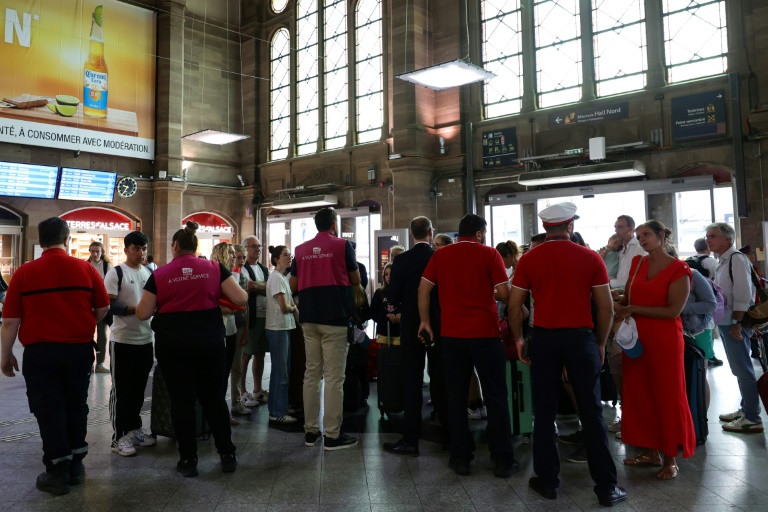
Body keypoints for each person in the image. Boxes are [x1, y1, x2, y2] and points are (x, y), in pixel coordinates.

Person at [507, 202, 626, 506]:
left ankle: (547, 481)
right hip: (580, 339)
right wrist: (600, 343)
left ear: (546, 228)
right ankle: (606, 488)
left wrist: (519, 338)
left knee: (544, 414)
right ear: (570, 226)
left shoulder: (529, 259)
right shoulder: (589, 258)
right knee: (592, 412)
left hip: (544, 339)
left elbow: (514, 304)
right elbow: (606, 308)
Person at [0, 217, 110, 495]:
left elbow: (10, 320)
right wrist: (84, 321)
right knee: (77, 404)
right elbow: (103, 308)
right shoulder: (85, 269)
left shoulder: (24, 273)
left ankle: (57, 470)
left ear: (40, 240)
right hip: (78, 350)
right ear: (67, 239)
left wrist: (6, 354)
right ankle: (76, 466)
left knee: (48, 408)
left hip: (41, 353)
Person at [136, 221, 247, 477]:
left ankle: (188, 459)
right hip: (209, 344)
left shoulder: (160, 274)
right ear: (196, 246)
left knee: (181, 401)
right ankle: (227, 453)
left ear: (175, 246)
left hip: (173, 346)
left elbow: (143, 313)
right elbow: (240, 298)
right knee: (214, 398)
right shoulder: (214, 268)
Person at [418, 214, 518, 478]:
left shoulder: (440, 255)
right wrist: (490, 291)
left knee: (456, 398)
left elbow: (423, 289)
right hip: (486, 335)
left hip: (452, 338)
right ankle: (502, 460)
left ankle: (461, 457)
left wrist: (426, 322)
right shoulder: (489, 255)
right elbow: (506, 294)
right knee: (496, 397)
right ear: (480, 233)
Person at [615, 220, 695, 480]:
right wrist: (615, 298)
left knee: (666, 395)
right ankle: (650, 451)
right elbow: (630, 299)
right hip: (638, 338)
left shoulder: (679, 269)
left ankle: (670, 457)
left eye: (646, 234)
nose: (642, 239)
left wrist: (633, 308)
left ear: (662, 235)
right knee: (640, 393)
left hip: (665, 340)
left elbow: (673, 311)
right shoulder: (639, 264)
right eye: (639, 236)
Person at [289, 207, 361, 450]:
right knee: (333, 378)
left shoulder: (300, 250)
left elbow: (293, 284)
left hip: (309, 318)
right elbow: (356, 279)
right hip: (335, 318)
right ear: (333, 225)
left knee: (311, 374)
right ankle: (332, 435)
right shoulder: (342, 245)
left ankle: (310, 432)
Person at [383, 216, 449, 457]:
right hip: (439, 325)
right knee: (441, 380)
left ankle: (411, 439)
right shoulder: (440, 256)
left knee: (412, 382)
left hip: (411, 326)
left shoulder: (401, 260)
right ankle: (449, 436)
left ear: (412, 234)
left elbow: (393, 295)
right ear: (431, 233)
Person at [706, 222, 764, 433]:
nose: (708, 239)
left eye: (712, 236)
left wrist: (737, 323)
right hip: (727, 321)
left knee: (743, 369)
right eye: (707, 236)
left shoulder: (736, 259)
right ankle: (745, 408)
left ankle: (752, 417)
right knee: (738, 368)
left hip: (734, 322)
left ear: (727, 239)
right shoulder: (723, 260)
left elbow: (743, 294)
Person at [105, 231, 156, 457]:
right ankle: (118, 437)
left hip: (145, 339)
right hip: (123, 340)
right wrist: (138, 310)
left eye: (143, 248)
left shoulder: (148, 272)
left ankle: (135, 429)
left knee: (138, 390)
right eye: (135, 248)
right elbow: (109, 306)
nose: (140, 252)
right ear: (126, 250)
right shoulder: (116, 273)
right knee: (122, 390)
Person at [681, 254, 718, 413]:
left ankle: (701, 419)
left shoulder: (692, 274)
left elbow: (711, 304)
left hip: (699, 329)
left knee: (700, 375)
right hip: (680, 329)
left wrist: (680, 309)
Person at [265, 245, 298, 423]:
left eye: (289, 254)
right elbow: (286, 307)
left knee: (283, 369)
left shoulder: (283, 277)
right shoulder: (277, 278)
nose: (289, 257)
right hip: (277, 327)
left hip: (283, 327)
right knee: (280, 371)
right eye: (286, 255)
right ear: (277, 259)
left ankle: (280, 406)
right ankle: (277, 412)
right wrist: (294, 308)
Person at [210, 242, 241, 426]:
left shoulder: (232, 274)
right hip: (218, 329)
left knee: (226, 370)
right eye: (229, 253)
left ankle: (222, 411)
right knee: (217, 373)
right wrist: (225, 308)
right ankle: (216, 413)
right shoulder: (214, 274)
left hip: (231, 329)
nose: (233, 256)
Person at [240, 235, 270, 408]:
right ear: (245, 249)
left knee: (260, 353)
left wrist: (260, 286)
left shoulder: (263, 268)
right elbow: (248, 286)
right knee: (246, 354)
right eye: (254, 246)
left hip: (265, 316)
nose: (257, 249)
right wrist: (263, 286)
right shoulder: (242, 269)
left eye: (259, 246)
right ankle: (242, 390)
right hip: (251, 317)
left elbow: (269, 287)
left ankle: (258, 390)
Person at [230, 245, 252, 418]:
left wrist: (246, 329)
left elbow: (246, 305)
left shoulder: (243, 277)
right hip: (226, 326)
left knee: (237, 366)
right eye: (238, 257)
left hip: (238, 324)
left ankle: (236, 401)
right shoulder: (226, 276)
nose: (241, 260)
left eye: (243, 257)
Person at [368, 263, 399, 381]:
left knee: (398, 362)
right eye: (386, 274)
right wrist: (386, 316)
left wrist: (401, 315)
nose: (389, 277)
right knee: (384, 362)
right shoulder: (379, 293)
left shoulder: (402, 292)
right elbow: (373, 313)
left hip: (399, 333)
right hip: (384, 333)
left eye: (391, 274)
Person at [87, 241, 113, 373]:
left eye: (97, 251)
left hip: (101, 305)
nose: (95, 254)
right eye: (92, 251)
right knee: (87, 335)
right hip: (87, 305)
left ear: (102, 252)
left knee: (102, 335)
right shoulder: (85, 265)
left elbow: (110, 285)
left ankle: (100, 363)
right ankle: (88, 362)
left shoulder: (107, 266)